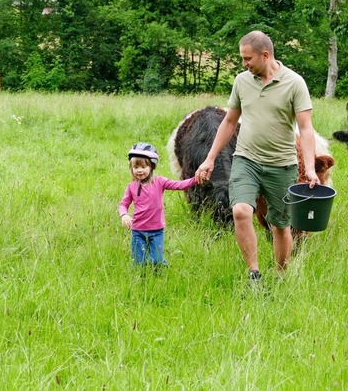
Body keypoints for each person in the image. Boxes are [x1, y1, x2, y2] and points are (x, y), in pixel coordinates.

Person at [196, 30, 319, 282]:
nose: (244, 64)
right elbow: (230, 121)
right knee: (241, 210)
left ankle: (281, 276)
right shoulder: (242, 81)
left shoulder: (295, 83)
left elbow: (306, 128)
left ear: (265, 55)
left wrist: (310, 168)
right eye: (242, 59)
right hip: (246, 159)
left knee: (280, 225)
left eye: (247, 59)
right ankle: (254, 274)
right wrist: (209, 158)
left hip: (282, 165)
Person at [118, 142, 198, 267]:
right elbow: (124, 204)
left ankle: (161, 269)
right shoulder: (131, 187)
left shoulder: (159, 182)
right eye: (136, 167)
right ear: (131, 168)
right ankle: (141, 279)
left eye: (143, 167)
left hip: (156, 230)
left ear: (152, 167)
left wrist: (195, 179)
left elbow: (178, 185)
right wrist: (124, 215)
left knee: (157, 260)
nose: (139, 170)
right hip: (138, 230)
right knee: (138, 262)